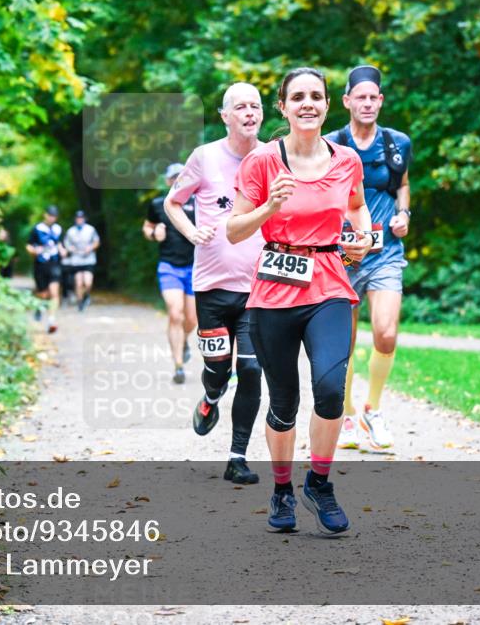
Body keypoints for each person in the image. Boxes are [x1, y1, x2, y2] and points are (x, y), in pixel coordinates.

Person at [227, 67, 374, 535]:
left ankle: (321, 483)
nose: (307, 103)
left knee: (331, 388)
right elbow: (234, 230)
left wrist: (363, 237)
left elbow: (355, 206)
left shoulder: (348, 159)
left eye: (316, 96)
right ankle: (282, 490)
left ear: (329, 104)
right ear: (283, 107)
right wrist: (269, 207)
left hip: (330, 282)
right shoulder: (262, 162)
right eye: (298, 97)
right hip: (274, 291)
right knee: (284, 400)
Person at [164, 82, 266, 485]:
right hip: (211, 286)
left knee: (253, 369)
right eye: (240, 106)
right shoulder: (204, 157)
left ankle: (237, 457)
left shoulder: (272, 158)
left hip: (259, 286)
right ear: (225, 116)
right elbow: (173, 202)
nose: (249, 112)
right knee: (218, 369)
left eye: (255, 105)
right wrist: (191, 233)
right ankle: (210, 398)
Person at [331, 65, 412, 452]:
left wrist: (404, 214)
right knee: (342, 343)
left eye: (372, 97)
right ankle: (345, 417)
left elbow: (404, 185)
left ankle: (372, 409)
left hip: (385, 254)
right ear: (346, 101)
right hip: (342, 256)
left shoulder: (398, 144)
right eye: (358, 97)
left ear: (380, 101)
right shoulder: (331, 144)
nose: (366, 103)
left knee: (387, 333)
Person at [143, 164, 196, 384]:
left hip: (195, 267)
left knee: (192, 320)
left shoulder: (199, 202)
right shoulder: (158, 204)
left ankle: (183, 341)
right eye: (173, 177)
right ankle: (178, 366)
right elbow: (146, 228)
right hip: (169, 267)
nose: (177, 180)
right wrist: (154, 233)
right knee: (175, 313)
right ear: (167, 181)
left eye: (181, 177)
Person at [26, 205, 64, 333]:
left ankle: (52, 320)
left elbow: (60, 243)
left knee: (54, 292)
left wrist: (62, 250)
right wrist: (34, 251)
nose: (52, 218)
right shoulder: (37, 229)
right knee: (43, 294)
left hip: (54, 263)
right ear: (45, 215)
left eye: (54, 216)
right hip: (41, 263)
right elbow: (29, 245)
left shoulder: (58, 229)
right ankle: (39, 308)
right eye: (50, 215)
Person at [63, 210, 100, 311]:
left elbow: (97, 241)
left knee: (87, 282)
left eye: (81, 218)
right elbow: (66, 243)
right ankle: (80, 301)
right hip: (76, 260)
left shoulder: (90, 230)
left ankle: (86, 295)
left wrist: (91, 247)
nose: (79, 220)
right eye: (78, 218)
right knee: (78, 282)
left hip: (88, 259)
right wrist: (71, 249)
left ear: (84, 219)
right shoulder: (71, 231)